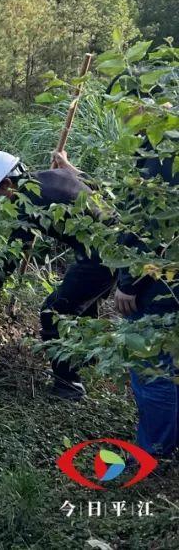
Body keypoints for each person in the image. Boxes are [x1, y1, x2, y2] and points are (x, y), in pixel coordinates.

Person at [0, 148, 116, 401]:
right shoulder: (55, 173)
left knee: (53, 312)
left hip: (101, 257)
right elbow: (93, 185)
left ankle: (68, 386)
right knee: (82, 306)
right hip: (120, 246)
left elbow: (11, 259)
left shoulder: (28, 203)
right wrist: (68, 164)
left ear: (7, 183)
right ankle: (92, 361)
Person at [113, 124, 178, 458]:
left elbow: (150, 224)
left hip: (157, 287)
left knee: (153, 369)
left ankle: (155, 450)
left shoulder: (161, 150)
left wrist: (129, 284)